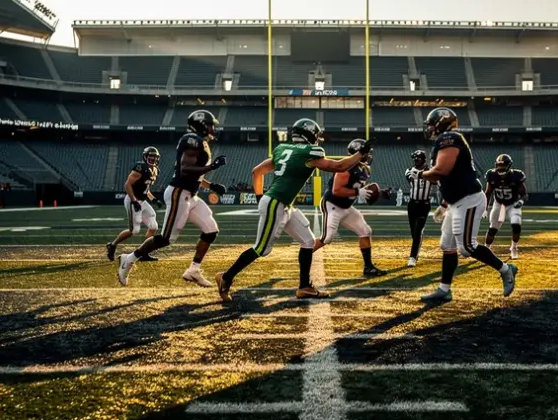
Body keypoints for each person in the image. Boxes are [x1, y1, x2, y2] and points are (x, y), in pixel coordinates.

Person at [215, 118, 373, 302]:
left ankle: (304, 287)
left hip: (282, 203)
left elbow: (256, 172)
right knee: (261, 249)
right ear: (311, 135)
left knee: (308, 241)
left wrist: (260, 198)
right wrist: (360, 153)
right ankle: (226, 277)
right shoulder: (310, 152)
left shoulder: (282, 149)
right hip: (276, 203)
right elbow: (339, 166)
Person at [416, 107, 518, 302]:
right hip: (456, 201)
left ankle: (506, 270)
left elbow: (441, 171)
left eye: (431, 124)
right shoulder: (446, 140)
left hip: (469, 199)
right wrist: (445, 205)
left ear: (441, 123)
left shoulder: (449, 138)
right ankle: (444, 289)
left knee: (467, 247)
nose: (428, 128)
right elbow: (451, 178)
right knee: (447, 245)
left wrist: (420, 174)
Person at [116, 110, 227, 287]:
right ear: (201, 125)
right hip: (179, 192)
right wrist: (212, 167)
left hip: (191, 195)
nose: (213, 128)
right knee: (166, 238)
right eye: (210, 124)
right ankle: (129, 259)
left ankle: (193, 270)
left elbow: (195, 175)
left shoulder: (201, 143)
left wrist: (211, 186)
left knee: (211, 230)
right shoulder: (192, 141)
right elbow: (185, 169)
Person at [314, 138, 387, 276]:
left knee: (365, 231)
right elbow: (337, 190)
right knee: (327, 238)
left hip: (346, 207)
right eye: (365, 153)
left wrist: (381, 193)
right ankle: (303, 256)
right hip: (333, 205)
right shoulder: (346, 168)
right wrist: (358, 192)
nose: (368, 155)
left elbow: (357, 186)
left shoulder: (364, 168)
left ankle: (368, 267)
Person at [107, 146, 161, 262]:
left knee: (153, 226)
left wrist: (154, 200)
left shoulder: (155, 170)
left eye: (154, 157)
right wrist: (134, 201)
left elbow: (146, 190)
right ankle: (112, 245)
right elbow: (127, 185)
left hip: (142, 200)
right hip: (133, 200)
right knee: (134, 230)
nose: (152, 159)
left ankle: (144, 252)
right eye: (150, 156)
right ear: (145, 156)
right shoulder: (140, 168)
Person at [482, 154, 528, 260]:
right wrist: (485, 208)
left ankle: (514, 248)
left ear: (509, 166)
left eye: (503, 166)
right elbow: (488, 193)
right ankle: (486, 248)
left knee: (516, 225)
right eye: (499, 165)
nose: (500, 168)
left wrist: (521, 201)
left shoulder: (516, 176)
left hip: (513, 204)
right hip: (499, 205)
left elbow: (524, 194)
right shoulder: (492, 175)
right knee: (493, 229)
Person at [404, 150, 436, 267]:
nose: (415, 160)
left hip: (424, 205)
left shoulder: (430, 172)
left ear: (423, 159)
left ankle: (412, 257)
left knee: (417, 231)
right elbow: (409, 177)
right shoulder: (409, 170)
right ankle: (416, 251)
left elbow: (435, 181)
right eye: (414, 159)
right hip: (412, 204)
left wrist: (427, 174)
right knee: (414, 232)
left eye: (417, 158)